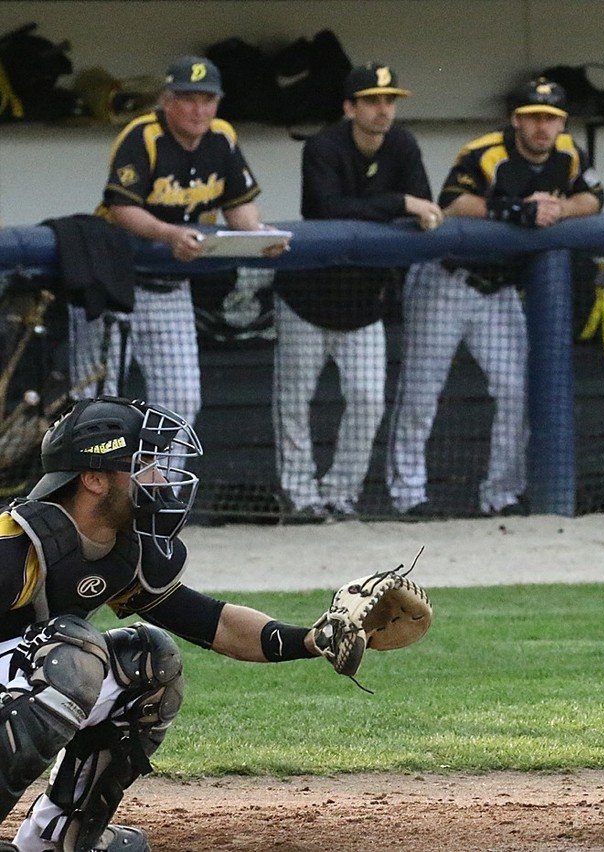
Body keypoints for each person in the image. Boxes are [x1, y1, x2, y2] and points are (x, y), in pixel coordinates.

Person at [0, 397, 334, 852]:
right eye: (145, 465)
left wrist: (316, 639)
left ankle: (56, 841)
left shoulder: (124, 550)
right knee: (68, 657)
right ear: (94, 478)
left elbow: (213, 623)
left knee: (150, 664)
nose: (160, 478)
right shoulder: (15, 548)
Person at [385, 77, 604, 517]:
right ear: (516, 120)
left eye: (551, 119)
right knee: (422, 393)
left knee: (516, 390)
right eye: (533, 118)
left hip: (499, 290)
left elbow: (594, 197)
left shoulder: (568, 151)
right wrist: (519, 209)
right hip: (448, 278)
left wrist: (559, 209)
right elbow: (450, 203)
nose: (543, 128)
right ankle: (407, 495)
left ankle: (500, 495)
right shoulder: (485, 151)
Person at [71, 56, 284, 432]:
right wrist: (168, 234)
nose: (198, 109)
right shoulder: (143, 135)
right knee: (98, 405)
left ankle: (159, 489)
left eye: (207, 99)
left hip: (170, 287)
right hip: (112, 283)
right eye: (187, 98)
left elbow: (239, 208)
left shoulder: (222, 137)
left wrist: (258, 235)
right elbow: (122, 208)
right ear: (166, 100)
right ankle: (92, 490)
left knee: (181, 401)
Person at [271, 63, 441, 520]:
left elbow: (425, 203)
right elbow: (327, 209)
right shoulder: (324, 145)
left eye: (389, 100)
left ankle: (340, 494)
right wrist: (398, 204)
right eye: (372, 101)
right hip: (306, 298)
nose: (383, 109)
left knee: (368, 401)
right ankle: (300, 496)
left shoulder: (403, 144)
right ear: (350, 107)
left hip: (365, 302)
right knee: (294, 402)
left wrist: (405, 206)